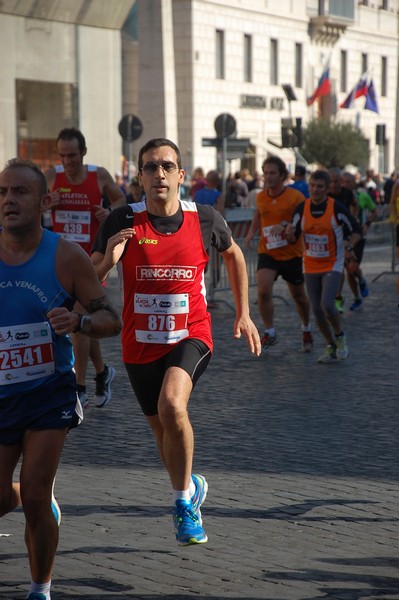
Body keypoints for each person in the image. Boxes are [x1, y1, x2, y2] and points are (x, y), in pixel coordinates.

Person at [91, 137, 261, 546]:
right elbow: (88, 281)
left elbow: (235, 255)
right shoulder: (120, 221)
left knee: (172, 404)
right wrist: (110, 261)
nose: (159, 174)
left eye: (167, 166)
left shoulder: (204, 218)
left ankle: (184, 503)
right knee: (162, 434)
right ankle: (190, 484)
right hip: (139, 344)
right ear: (139, 177)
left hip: (191, 334)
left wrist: (243, 311)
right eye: (150, 167)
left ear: (181, 175)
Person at [0, 158, 122, 600]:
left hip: (49, 392)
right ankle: (34, 497)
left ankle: (40, 588)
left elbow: (112, 318)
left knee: (35, 496)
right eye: (2, 193)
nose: (9, 200)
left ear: (45, 201)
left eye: (20, 192)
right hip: (1, 393)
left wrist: (79, 322)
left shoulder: (66, 255)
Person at [45, 128, 125, 409]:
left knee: (78, 321)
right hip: (59, 259)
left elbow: (120, 201)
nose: (67, 161)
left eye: (72, 155)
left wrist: (109, 213)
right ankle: (103, 373)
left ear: (83, 153)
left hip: (92, 260)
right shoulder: (51, 177)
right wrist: (46, 206)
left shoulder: (98, 175)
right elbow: (32, 205)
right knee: (84, 323)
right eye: (63, 155)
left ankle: (78, 387)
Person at [286, 169, 361, 363]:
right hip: (310, 264)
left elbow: (356, 230)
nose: (315, 190)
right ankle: (330, 345)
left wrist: (349, 246)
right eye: (312, 186)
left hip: (332, 264)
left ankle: (340, 335)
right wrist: (288, 232)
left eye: (320, 187)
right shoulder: (302, 208)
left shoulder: (336, 208)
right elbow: (292, 236)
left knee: (327, 304)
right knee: (317, 310)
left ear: (327, 189)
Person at [245, 155, 313, 352]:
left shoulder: (295, 198)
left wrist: (285, 225)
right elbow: (259, 214)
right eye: (266, 173)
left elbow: (303, 219)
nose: (269, 177)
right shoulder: (260, 196)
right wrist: (251, 232)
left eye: (273, 173)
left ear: (282, 175)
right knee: (263, 291)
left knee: (299, 296)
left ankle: (306, 328)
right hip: (268, 252)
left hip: (291, 252)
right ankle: (270, 331)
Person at [341, 172, 377, 310]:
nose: (345, 185)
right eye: (342, 182)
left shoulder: (362, 196)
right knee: (346, 268)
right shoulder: (338, 199)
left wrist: (367, 224)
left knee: (352, 268)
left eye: (348, 182)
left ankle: (361, 279)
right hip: (344, 237)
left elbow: (374, 211)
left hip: (358, 237)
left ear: (354, 183)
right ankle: (357, 297)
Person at [328, 167, 359, 313]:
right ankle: (338, 297)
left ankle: (361, 284)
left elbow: (355, 205)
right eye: (331, 182)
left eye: (336, 181)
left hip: (348, 233)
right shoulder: (324, 195)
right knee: (338, 269)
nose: (333, 185)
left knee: (352, 268)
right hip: (331, 236)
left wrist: (355, 218)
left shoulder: (347, 193)